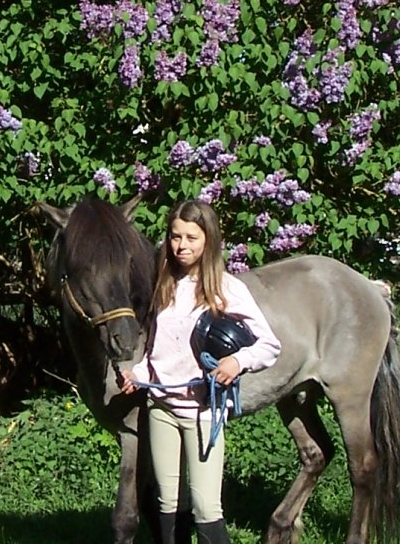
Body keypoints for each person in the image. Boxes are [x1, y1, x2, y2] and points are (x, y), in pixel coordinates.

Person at [120, 200, 281, 544]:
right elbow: (157, 347)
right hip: (161, 407)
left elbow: (269, 344)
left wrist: (238, 361)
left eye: (192, 238)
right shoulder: (162, 285)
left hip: (203, 413)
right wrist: (139, 373)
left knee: (206, 507)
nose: (182, 246)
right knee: (168, 502)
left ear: (208, 240)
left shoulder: (225, 288)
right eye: (175, 236)